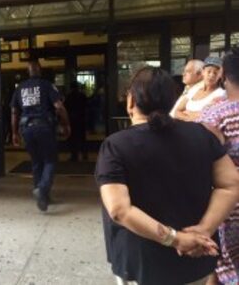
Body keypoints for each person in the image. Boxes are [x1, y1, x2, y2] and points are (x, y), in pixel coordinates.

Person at [96, 68, 239, 285]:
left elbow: (119, 210)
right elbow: (231, 185)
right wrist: (204, 230)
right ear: (172, 101)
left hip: (142, 263)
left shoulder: (116, 145)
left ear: (131, 100)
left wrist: (176, 239)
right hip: (196, 260)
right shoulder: (201, 135)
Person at [198, 48, 239, 285]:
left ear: (223, 74)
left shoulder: (215, 113)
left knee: (226, 261)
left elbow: (204, 160)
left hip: (230, 203)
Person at [11, 60, 71, 212]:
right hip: (44, 127)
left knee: (37, 162)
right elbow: (59, 107)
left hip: (26, 129)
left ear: (28, 72)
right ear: (40, 71)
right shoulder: (47, 85)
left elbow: (14, 112)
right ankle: (42, 190)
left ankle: (43, 196)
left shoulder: (20, 88)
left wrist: (14, 133)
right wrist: (66, 124)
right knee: (50, 160)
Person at [174, 57, 225, 121]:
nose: (211, 75)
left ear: (220, 75)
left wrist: (187, 113)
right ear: (203, 72)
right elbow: (176, 111)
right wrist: (191, 117)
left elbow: (208, 116)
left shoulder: (221, 94)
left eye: (215, 73)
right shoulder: (194, 90)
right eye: (209, 71)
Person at [64, 81, 88, 161]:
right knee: (82, 138)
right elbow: (86, 107)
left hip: (72, 120)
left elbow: (66, 108)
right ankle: (84, 154)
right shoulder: (82, 96)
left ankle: (74, 155)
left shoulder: (68, 97)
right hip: (81, 119)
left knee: (73, 138)